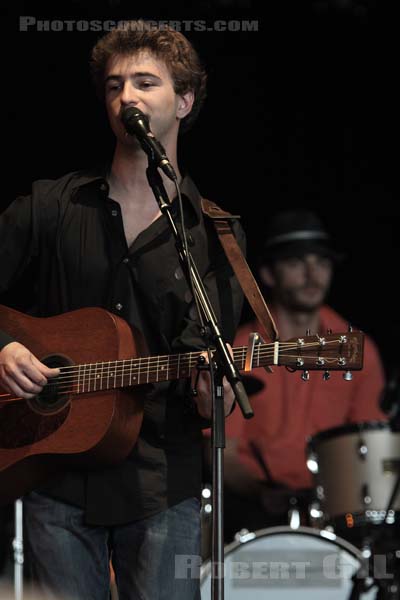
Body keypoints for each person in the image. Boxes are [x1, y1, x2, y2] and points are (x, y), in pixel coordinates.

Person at [0, 21, 245, 600]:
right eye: (114, 86)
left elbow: (205, 358)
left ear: (183, 101)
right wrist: (4, 346)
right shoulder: (51, 206)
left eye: (144, 82)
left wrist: (215, 391)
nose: (126, 98)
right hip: (53, 473)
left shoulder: (216, 234)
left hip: (163, 483)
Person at [219, 209, 386, 542]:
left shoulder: (358, 349)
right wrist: (261, 492)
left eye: (321, 263)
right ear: (267, 273)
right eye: (296, 262)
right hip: (253, 509)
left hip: (336, 514)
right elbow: (222, 452)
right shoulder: (240, 349)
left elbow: (366, 450)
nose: (312, 275)